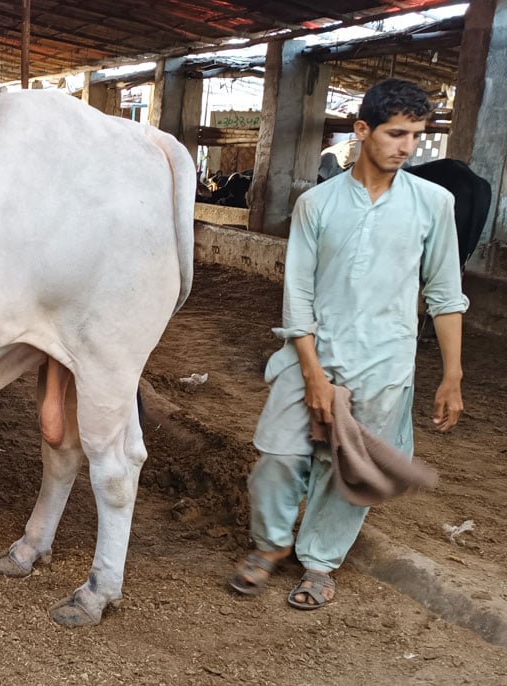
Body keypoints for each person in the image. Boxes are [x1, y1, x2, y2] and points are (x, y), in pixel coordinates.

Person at [228, 78, 468, 609]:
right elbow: (298, 296)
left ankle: (319, 562)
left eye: (416, 135)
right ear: (362, 131)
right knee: (277, 454)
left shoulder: (435, 203)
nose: (406, 147)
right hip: (309, 353)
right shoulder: (316, 204)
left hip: (385, 361)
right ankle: (270, 545)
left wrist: (452, 376)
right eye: (395, 133)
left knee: (348, 466)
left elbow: (446, 293)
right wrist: (312, 373)